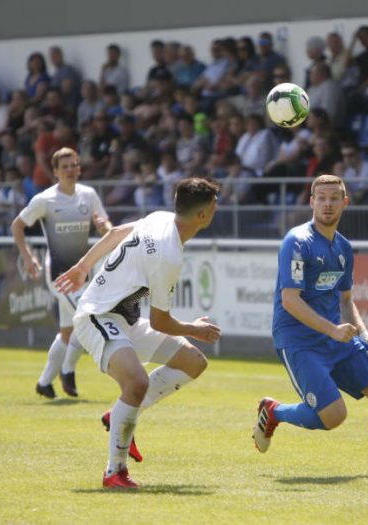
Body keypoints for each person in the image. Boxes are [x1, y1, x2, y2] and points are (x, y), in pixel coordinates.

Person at [53, 177, 222, 489]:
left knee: (194, 362)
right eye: (214, 206)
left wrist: (82, 266)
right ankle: (114, 471)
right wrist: (193, 329)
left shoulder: (160, 217)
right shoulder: (169, 255)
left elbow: (117, 232)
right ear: (203, 215)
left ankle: (117, 415)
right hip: (97, 315)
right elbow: (160, 322)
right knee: (137, 382)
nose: (215, 210)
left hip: (125, 319)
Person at [252, 174, 368, 475]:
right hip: (299, 341)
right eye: (321, 198)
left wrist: (366, 334)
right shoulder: (297, 242)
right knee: (333, 416)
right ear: (312, 202)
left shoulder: (343, 247)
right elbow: (290, 300)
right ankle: (275, 411)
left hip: (335, 337)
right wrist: (332, 330)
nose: (327, 204)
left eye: (334, 198)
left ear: (345, 202)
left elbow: (345, 301)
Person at [11, 147, 112, 400]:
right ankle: (67, 370)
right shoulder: (45, 200)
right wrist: (28, 256)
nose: (70, 170)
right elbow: (18, 225)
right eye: (64, 166)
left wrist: (104, 227)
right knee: (88, 317)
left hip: (82, 272)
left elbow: (107, 228)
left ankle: (45, 382)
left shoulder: (88, 195)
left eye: (74, 165)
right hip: (59, 274)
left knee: (68, 332)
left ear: (79, 168)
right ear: (55, 172)